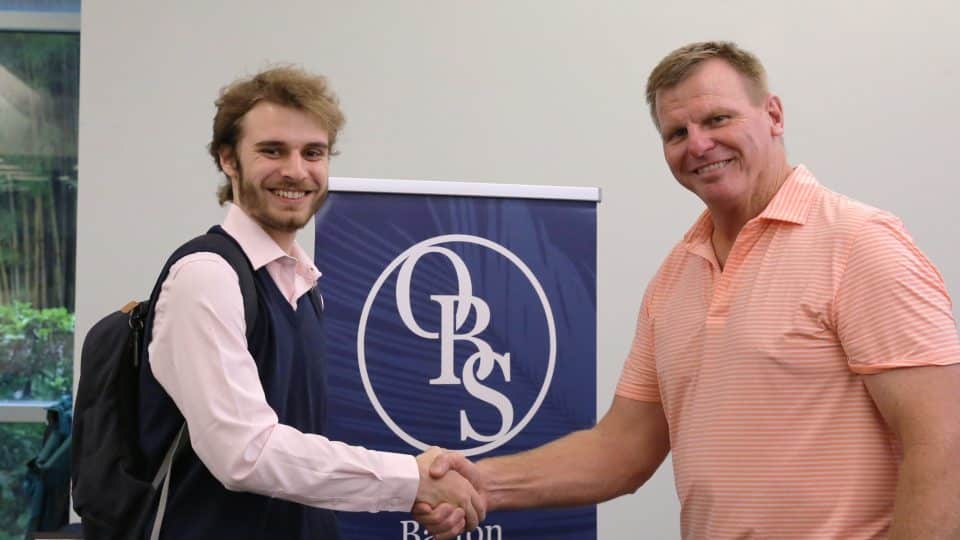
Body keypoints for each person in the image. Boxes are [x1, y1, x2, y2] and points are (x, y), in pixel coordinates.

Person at [416, 41, 960, 539]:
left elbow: (944, 445)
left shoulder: (858, 244)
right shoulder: (675, 276)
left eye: (717, 118)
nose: (699, 144)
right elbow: (622, 451)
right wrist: (481, 483)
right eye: (677, 133)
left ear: (773, 115)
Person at [137, 66, 484, 540]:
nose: (296, 171)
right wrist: (411, 480)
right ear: (228, 160)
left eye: (313, 153)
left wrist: (422, 491)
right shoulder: (207, 276)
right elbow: (246, 454)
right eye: (272, 151)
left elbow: (300, 452)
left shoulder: (301, 284)